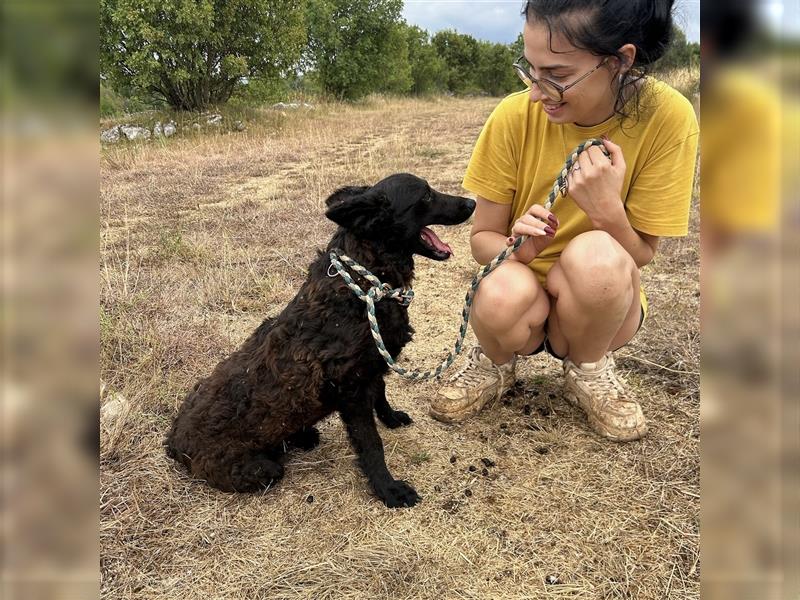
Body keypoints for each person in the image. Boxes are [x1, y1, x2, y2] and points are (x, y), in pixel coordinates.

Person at [429, 0, 699, 441]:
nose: (537, 92)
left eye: (556, 76)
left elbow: (642, 255)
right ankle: (496, 363)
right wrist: (520, 249)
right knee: (497, 292)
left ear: (619, 61)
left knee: (598, 258)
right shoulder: (514, 117)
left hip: (601, 303)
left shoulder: (669, 118)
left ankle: (589, 368)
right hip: (523, 297)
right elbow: (482, 239)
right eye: (531, 70)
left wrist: (607, 210)